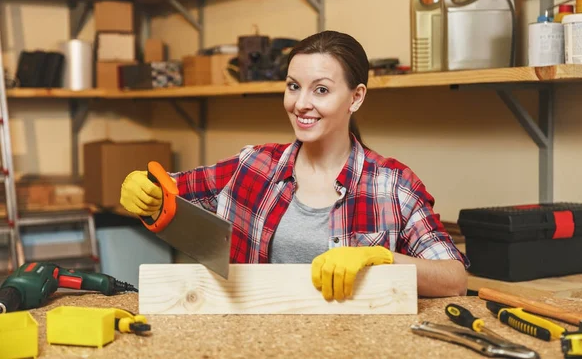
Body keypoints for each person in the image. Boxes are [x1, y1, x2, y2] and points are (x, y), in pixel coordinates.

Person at [120, 30, 469, 300]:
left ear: (356, 97)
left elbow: (454, 279)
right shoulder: (252, 166)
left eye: (321, 90)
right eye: (293, 86)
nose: (301, 104)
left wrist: (382, 259)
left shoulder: (392, 185)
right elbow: (167, 192)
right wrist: (146, 189)